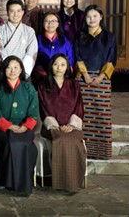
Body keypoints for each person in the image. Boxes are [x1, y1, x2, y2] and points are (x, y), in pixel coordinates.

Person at [0, 56, 39, 196]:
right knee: (11, 141)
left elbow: (33, 111)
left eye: (16, 67)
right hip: (3, 128)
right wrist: (9, 126)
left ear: (21, 70)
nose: (12, 71)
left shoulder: (28, 87)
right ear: (4, 70)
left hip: (25, 127)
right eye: (9, 67)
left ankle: (22, 183)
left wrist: (25, 126)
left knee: (24, 143)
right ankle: (8, 181)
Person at [37, 53, 86, 193]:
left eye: (63, 64)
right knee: (61, 139)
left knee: (74, 142)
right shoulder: (43, 85)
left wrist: (70, 126)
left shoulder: (74, 85)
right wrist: (57, 126)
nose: (59, 68)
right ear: (51, 66)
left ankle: (73, 182)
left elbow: (79, 107)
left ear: (68, 68)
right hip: (52, 126)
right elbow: (43, 108)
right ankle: (61, 182)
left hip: (72, 126)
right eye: (56, 64)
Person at [74, 4, 117, 159]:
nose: (91, 19)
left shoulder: (109, 37)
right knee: (84, 115)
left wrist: (100, 77)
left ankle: (102, 152)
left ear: (101, 17)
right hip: (83, 80)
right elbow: (77, 57)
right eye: (88, 16)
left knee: (101, 116)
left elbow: (111, 58)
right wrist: (85, 75)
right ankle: (84, 151)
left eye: (94, 16)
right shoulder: (80, 36)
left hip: (102, 81)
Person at [0, 0, 38, 79]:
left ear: (22, 12)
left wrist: (22, 72)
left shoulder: (29, 31)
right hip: (4, 71)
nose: (15, 14)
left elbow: (31, 53)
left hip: (23, 71)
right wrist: (9, 69)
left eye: (18, 11)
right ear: (7, 13)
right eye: (12, 11)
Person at [32, 12, 74, 86]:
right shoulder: (36, 39)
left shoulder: (66, 40)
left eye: (53, 21)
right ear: (43, 23)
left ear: (58, 24)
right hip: (42, 80)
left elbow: (70, 62)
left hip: (62, 80)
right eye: (47, 21)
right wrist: (45, 76)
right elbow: (35, 60)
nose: (50, 23)